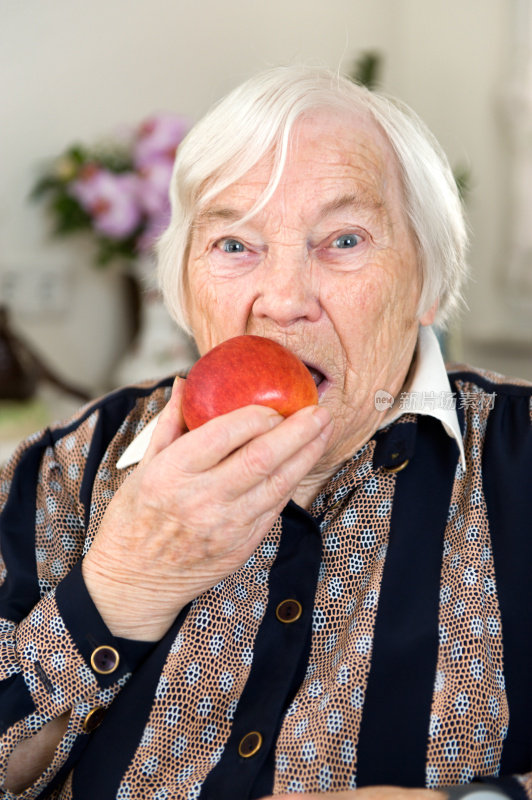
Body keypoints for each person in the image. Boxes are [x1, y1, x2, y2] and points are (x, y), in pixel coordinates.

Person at [0, 65, 531, 800]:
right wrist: (118, 592)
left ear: (430, 280)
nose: (282, 302)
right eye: (234, 246)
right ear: (184, 284)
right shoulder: (58, 472)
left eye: (343, 239)